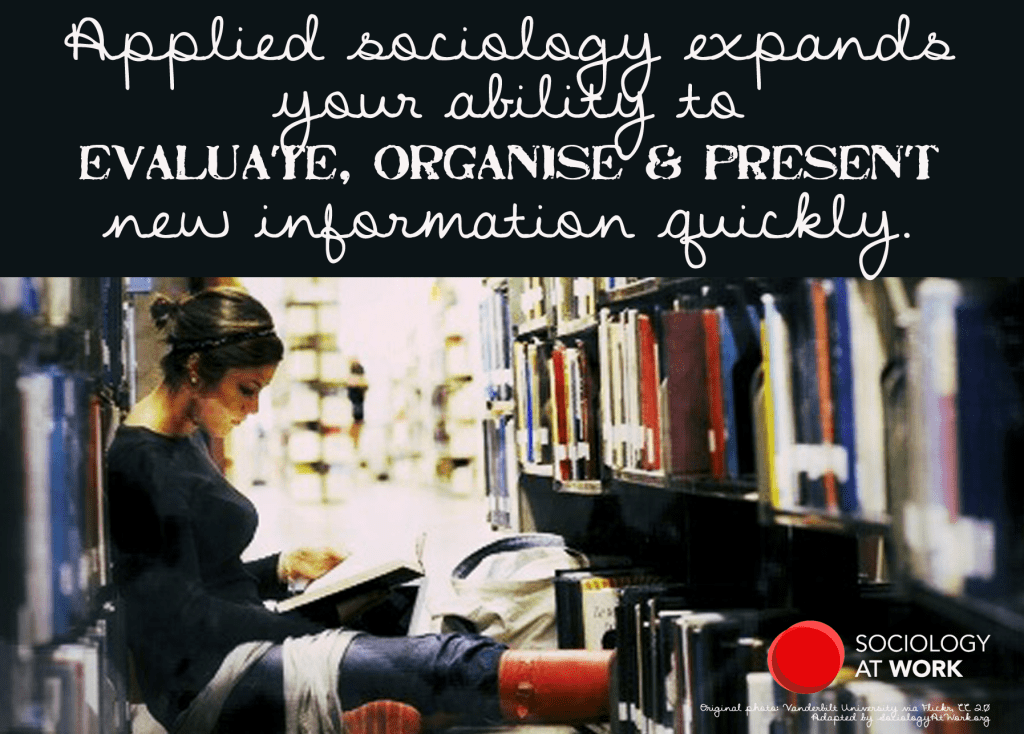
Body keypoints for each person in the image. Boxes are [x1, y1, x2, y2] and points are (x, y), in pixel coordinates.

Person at [106, 287, 613, 734]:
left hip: (239, 642)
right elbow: (185, 621)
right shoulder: (137, 463)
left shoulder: (182, 434)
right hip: (213, 682)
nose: (254, 409)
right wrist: (316, 637)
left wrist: (282, 568)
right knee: (442, 661)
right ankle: (632, 689)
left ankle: (384, 705)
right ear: (196, 371)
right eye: (246, 390)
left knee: (406, 603)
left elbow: (196, 574)